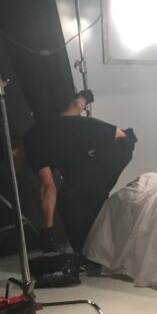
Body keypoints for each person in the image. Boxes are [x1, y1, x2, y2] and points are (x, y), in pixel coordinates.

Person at [19, 91, 137, 256]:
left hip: (111, 150)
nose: (19, 165)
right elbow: (74, 108)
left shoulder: (32, 148)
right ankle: (101, 250)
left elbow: (47, 188)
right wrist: (84, 97)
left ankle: (85, 255)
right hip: (122, 144)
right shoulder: (44, 130)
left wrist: (47, 231)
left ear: (14, 151)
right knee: (91, 199)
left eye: (15, 160)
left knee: (69, 197)